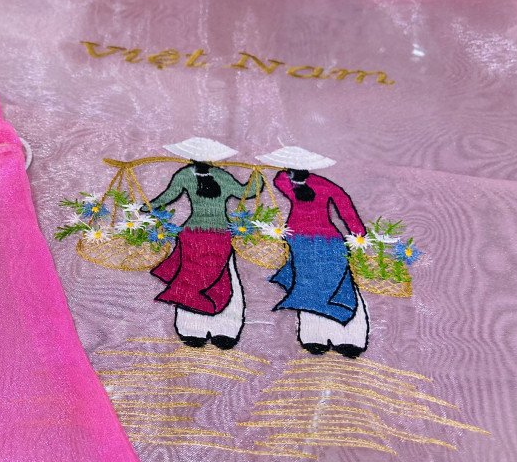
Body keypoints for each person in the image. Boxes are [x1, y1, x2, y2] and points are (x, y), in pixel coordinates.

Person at [146, 137, 261, 349]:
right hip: (215, 235)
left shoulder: (188, 174)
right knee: (220, 278)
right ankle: (217, 329)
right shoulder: (218, 175)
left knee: (189, 279)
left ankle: (197, 329)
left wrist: (146, 207)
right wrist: (257, 178)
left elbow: (167, 196)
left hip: (199, 234)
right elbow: (245, 191)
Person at [257, 147, 369, 357]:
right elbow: (345, 205)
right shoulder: (324, 184)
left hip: (301, 239)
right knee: (334, 282)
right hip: (324, 239)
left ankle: (316, 336)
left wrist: (287, 170)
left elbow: (280, 180)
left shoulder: (290, 184)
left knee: (308, 283)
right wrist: (359, 233)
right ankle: (343, 336)